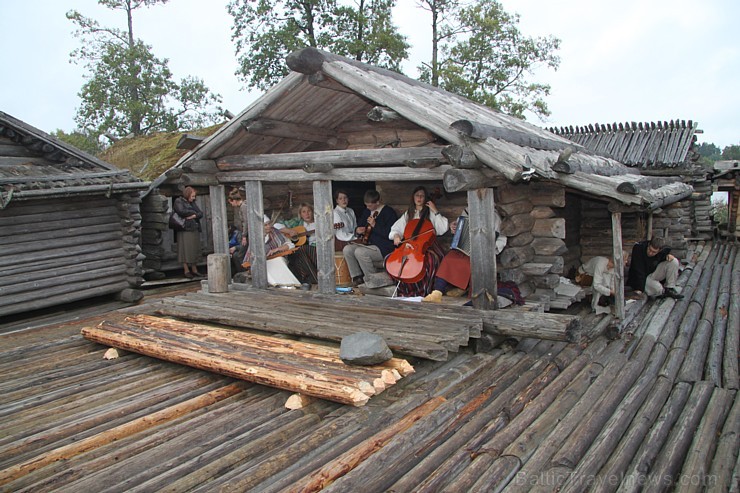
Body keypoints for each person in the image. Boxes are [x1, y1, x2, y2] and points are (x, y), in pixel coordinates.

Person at [424, 209, 507, 302]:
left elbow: (502, 237)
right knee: (448, 259)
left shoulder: (494, 216)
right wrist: (454, 228)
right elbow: (459, 230)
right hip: (462, 250)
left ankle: (463, 289)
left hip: (481, 253)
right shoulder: (467, 212)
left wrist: (492, 249)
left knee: (471, 265)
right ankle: (437, 292)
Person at [386, 186, 449, 297]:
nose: (419, 198)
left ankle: (425, 289)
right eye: (417, 195)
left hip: (427, 246)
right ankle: (404, 287)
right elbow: (396, 229)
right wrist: (396, 236)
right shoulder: (409, 213)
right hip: (409, 245)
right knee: (389, 258)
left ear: (425, 198)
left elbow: (443, 228)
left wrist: (435, 210)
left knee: (431, 261)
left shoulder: (430, 212)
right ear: (413, 197)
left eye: (422, 196)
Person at [342, 190, 397, 286]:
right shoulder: (367, 211)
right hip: (368, 244)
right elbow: (361, 225)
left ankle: (373, 279)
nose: (367, 208)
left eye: (370, 205)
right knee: (348, 249)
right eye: (366, 205)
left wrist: (375, 225)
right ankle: (357, 278)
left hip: (383, 247)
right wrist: (358, 230)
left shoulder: (389, 212)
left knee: (360, 252)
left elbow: (390, 234)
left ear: (378, 202)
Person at [242, 215, 300, 286]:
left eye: (269, 223)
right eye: (265, 225)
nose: (268, 226)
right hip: (264, 262)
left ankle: (290, 284)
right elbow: (251, 256)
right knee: (264, 267)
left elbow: (290, 245)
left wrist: (277, 249)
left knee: (279, 261)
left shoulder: (275, 231)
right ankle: (276, 284)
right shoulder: (256, 237)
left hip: (278, 258)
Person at [281, 203, 319, 285]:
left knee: (301, 250)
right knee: (293, 255)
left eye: (309, 211)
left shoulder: (318, 223)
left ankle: (313, 280)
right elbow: (276, 225)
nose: (307, 214)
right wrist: (289, 231)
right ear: (300, 214)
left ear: (312, 212)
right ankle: (304, 280)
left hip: (316, 250)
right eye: (304, 212)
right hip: (303, 252)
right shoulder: (298, 222)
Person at [173, 186, 204, 279]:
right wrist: (193, 213)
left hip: (194, 228)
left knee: (194, 249)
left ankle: (195, 270)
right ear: (187, 195)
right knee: (185, 249)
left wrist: (193, 215)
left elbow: (200, 213)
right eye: (192, 196)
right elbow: (181, 211)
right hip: (184, 228)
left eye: (194, 196)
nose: (194, 198)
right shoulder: (179, 201)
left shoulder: (193, 203)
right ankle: (186, 270)